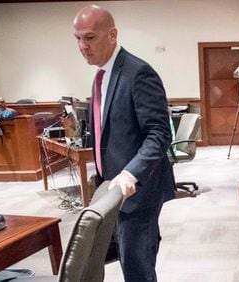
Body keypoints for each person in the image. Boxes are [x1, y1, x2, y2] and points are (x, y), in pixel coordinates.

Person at [73, 5, 174, 282]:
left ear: (112, 34)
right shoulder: (101, 75)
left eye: (90, 37)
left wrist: (131, 173)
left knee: (137, 268)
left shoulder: (138, 72)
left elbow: (159, 134)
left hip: (138, 190)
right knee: (123, 260)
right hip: (111, 188)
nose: (83, 45)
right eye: (78, 38)